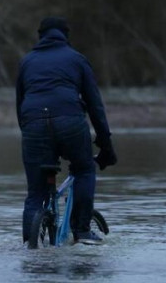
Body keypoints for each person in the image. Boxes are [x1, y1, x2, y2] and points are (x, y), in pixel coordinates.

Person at [16, 16, 117, 245]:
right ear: (65, 35)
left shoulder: (27, 62)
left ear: (40, 36)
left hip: (33, 125)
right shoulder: (77, 59)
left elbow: (20, 105)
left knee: (35, 192)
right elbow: (95, 106)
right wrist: (106, 145)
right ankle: (81, 231)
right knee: (84, 169)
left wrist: (32, 135)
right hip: (70, 122)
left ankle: (29, 245)